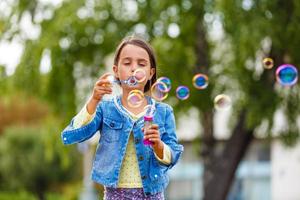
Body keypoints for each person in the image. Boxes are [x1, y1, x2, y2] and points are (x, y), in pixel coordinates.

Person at [61, 36, 184, 199]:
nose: (134, 68)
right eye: (127, 63)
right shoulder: (105, 108)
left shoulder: (163, 112)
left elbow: (173, 155)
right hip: (115, 195)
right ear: (116, 70)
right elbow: (73, 135)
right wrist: (94, 100)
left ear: (150, 73)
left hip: (152, 195)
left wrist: (159, 146)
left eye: (141, 64)